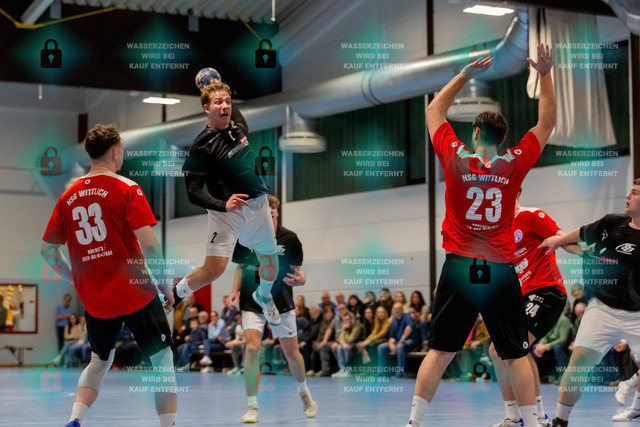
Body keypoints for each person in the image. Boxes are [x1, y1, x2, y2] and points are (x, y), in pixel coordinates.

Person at [405, 43, 556, 427]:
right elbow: (546, 123)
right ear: (503, 140)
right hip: (499, 267)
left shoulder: (455, 156)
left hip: (460, 265)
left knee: (440, 352)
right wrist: (545, 74)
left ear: (475, 133)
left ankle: (414, 423)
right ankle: (532, 422)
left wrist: (464, 75)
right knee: (515, 354)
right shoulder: (513, 163)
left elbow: (433, 111)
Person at [42, 123, 177, 427]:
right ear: (115, 151)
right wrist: (165, 285)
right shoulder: (127, 188)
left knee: (99, 360)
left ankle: (75, 419)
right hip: (135, 293)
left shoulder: (67, 197)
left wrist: (75, 278)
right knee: (162, 360)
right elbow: (150, 245)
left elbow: (47, 251)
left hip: (95, 300)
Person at [173, 82, 281, 327]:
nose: (225, 106)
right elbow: (192, 191)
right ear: (206, 108)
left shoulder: (238, 126)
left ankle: (264, 296)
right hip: (226, 213)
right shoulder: (201, 146)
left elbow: (233, 108)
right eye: (218, 102)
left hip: (258, 206)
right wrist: (223, 205)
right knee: (214, 270)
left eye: (228, 102)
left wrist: (217, 81)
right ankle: (173, 295)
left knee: (271, 265)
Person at [539, 179, 640, 426]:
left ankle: (636, 407)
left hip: (637, 315)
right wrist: (558, 241)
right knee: (578, 365)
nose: (627, 196)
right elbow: (584, 233)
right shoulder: (612, 222)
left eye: (635, 193)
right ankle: (560, 420)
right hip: (602, 309)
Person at [488, 190, 583, 427]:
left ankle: (529, 418)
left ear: (515, 190)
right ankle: (524, 417)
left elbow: (562, 238)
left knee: (512, 348)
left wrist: (586, 253)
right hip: (521, 296)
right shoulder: (497, 229)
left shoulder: (532, 215)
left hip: (546, 291)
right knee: (500, 350)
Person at [228, 194, 318, 423]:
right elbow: (240, 267)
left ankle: (304, 393)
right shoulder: (246, 236)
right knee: (251, 349)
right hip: (252, 297)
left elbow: (298, 271)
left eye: (273, 209)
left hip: (281, 298)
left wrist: (303, 280)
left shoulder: (290, 239)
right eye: (265, 209)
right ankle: (252, 406)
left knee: (292, 353)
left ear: (277, 212)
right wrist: (234, 291)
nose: (270, 212)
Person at [378, 302, 417, 377]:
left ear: (402, 310)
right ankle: (381, 372)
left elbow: (409, 327)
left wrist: (402, 338)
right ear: (392, 310)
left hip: (410, 341)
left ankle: (400, 373)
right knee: (381, 347)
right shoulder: (393, 321)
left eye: (399, 308)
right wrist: (391, 344)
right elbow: (391, 337)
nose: (397, 310)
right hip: (399, 342)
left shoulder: (407, 316)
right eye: (395, 309)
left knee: (400, 346)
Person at [332, 312, 363, 377]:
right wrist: (343, 343)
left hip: (356, 344)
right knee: (339, 347)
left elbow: (350, 339)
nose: (346, 321)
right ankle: (342, 369)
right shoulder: (344, 326)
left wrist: (345, 330)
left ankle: (349, 369)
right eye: (344, 320)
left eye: (347, 319)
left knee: (347, 347)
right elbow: (341, 338)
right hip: (347, 344)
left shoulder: (356, 327)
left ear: (351, 320)